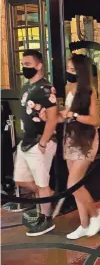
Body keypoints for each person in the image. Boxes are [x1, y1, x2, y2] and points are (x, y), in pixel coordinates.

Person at [58, 54, 100, 239]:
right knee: (76, 184)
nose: (69, 72)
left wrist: (74, 115)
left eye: (72, 69)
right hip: (70, 138)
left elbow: (95, 119)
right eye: (68, 68)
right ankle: (83, 224)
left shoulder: (89, 91)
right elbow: (66, 115)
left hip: (86, 140)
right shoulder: (69, 87)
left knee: (73, 184)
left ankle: (95, 213)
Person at [13, 49, 58, 236]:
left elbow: (53, 118)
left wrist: (43, 143)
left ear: (39, 65)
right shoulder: (26, 87)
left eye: (28, 64)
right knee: (21, 179)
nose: (25, 68)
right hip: (26, 141)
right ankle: (49, 195)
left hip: (41, 143)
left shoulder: (45, 88)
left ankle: (46, 218)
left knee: (41, 183)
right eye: (23, 65)